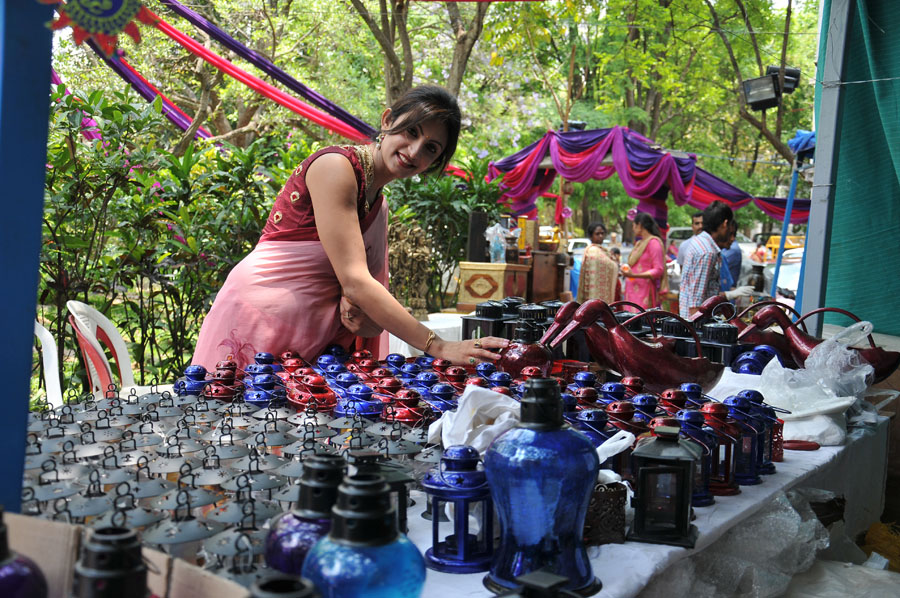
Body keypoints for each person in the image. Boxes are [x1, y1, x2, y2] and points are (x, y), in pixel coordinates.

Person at [192, 86, 507, 369]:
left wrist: (359, 313)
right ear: (387, 120)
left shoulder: (379, 206)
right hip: (257, 323)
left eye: (431, 149)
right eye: (411, 132)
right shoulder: (335, 168)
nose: (415, 151)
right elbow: (356, 282)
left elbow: (364, 304)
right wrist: (438, 346)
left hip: (314, 344)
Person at [679, 201, 753, 318]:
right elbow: (696, 303)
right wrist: (695, 327)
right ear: (725, 224)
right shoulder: (707, 252)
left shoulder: (700, 242)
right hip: (696, 322)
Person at [621, 212, 668, 309]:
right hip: (631, 291)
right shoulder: (639, 243)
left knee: (641, 317)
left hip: (644, 292)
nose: (633, 229)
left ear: (639, 225)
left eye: (633, 225)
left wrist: (634, 275)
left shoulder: (654, 243)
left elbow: (658, 270)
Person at [577, 222, 620, 303]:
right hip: (593, 293)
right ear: (591, 236)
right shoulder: (593, 250)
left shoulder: (603, 251)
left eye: (602, 233)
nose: (600, 236)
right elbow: (611, 265)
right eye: (597, 234)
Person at [719, 220, 743, 290]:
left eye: (734, 234)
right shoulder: (714, 254)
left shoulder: (730, 251)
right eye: (729, 234)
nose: (732, 238)